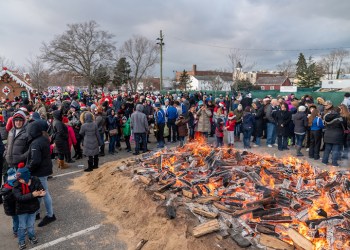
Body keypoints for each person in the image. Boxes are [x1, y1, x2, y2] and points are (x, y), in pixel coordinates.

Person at [26, 121, 56, 227]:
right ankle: (37, 213)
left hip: (40, 171)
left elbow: (35, 161)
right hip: (44, 169)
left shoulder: (36, 142)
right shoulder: (43, 139)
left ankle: (50, 215)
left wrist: (27, 169)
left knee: (44, 193)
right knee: (39, 192)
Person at [13, 165, 46, 250]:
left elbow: (40, 188)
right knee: (22, 226)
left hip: (33, 208)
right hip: (22, 209)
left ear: (26, 177)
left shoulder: (35, 180)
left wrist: (41, 193)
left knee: (31, 225)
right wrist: (32, 195)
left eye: (21, 178)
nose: (19, 180)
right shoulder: (17, 184)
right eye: (18, 179)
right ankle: (21, 241)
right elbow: (19, 198)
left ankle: (31, 236)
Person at [0, 168, 18, 237]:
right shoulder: (13, 188)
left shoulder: (5, 186)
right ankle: (16, 231)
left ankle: (15, 231)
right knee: (17, 220)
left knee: (15, 220)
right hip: (15, 208)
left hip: (10, 209)